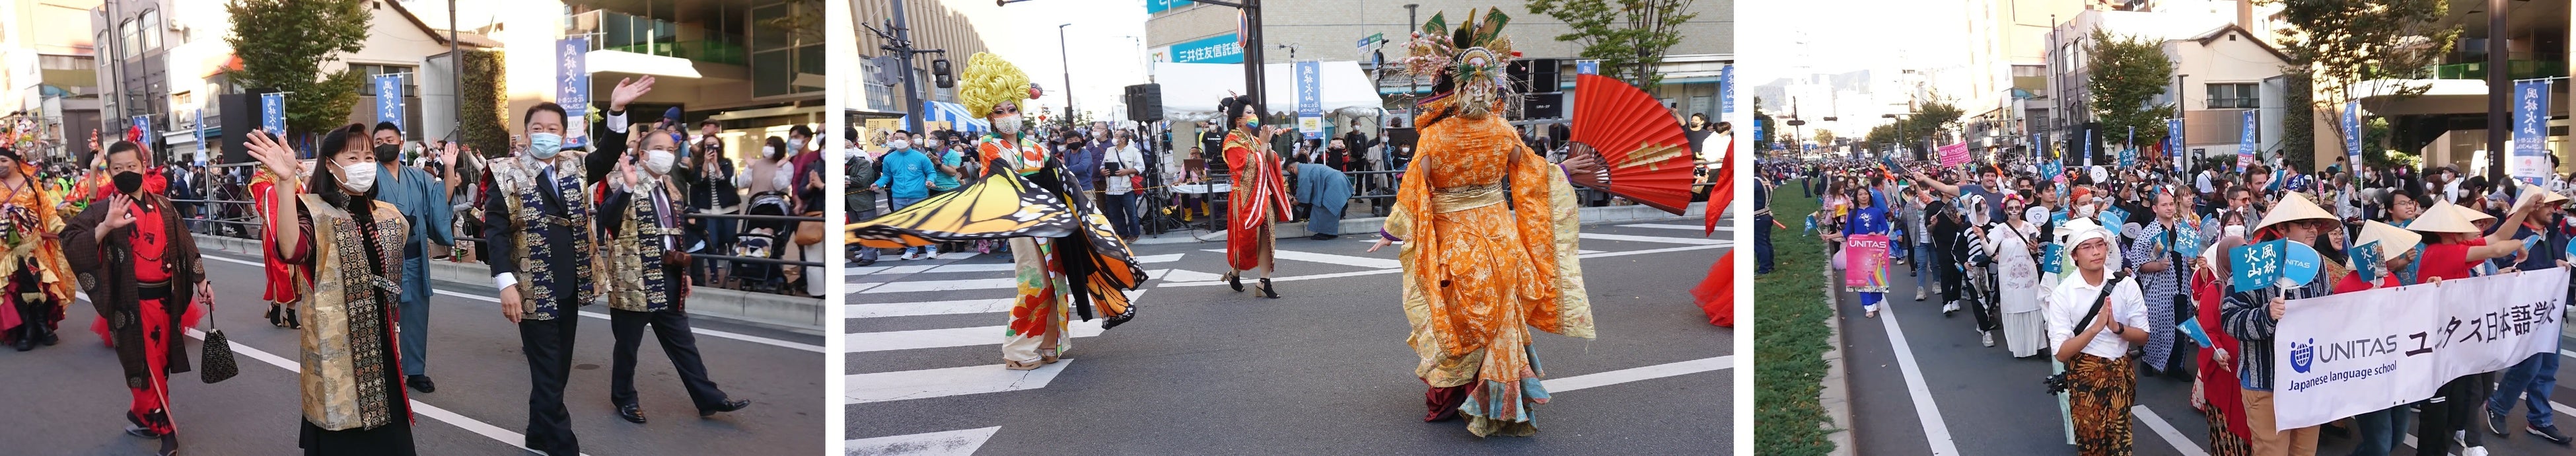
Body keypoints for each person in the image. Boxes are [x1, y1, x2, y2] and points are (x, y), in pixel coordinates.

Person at [1368, 11, 1594, 435]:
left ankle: (1453, 395)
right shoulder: (1502, 129)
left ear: (1451, 86)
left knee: (1458, 315)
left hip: (1456, 238)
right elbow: (1531, 174)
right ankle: (1506, 398)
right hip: (1499, 233)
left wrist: (1391, 232)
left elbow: (1414, 189)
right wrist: (1563, 171)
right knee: (1502, 315)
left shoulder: (1435, 137)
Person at [482, 77, 643, 456]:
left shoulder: (576, 165)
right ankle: (561, 443)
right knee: (548, 367)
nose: (545, 135)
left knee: (558, 367)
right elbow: (496, 231)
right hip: (530, 285)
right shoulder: (505, 172)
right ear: (525, 134)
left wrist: (616, 111)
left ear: (565, 134)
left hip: (569, 283)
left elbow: (609, 151)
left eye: (553, 129)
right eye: (537, 128)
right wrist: (505, 283)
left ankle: (538, 432)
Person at [246, 124, 419, 454]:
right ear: (329, 163)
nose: (363, 164)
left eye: (368, 156)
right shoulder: (315, 212)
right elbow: (291, 249)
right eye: (352, 157)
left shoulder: (389, 215)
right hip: (337, 358)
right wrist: (285, 184)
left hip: (383, 353)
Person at [599, 124, 753, 425]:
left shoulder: (670, 185)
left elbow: (677, 232)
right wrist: (628, 187)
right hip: (635, 280)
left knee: (684, 343)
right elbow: (606, 219)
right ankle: (624, 399)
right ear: (643, 154)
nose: (667, 156)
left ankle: (708, 398)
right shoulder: (620, 180)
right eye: (660, 150)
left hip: (670, 275)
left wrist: (687, 274)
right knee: (628, 346)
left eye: (671, 151)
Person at [65, 139, 209, 456]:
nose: (126, 172)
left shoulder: (164, 206)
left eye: (132, 166)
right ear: (110, 173)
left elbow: (186, 244)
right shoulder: (106, 209)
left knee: (161, 366)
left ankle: (139, 414)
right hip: (131, 306)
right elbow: (72, 240)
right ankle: (165, 429)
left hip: (166, 302)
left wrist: (201, 281)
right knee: (143, 367)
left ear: (144, 166)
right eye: (117, 168)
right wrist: (104, 228)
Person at [2221, 192, 2368, 456]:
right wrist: (2266, 315)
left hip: (2308, 380)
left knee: (2305, 452)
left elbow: (2329, 309)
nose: (2312, 230)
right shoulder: (2253, 261)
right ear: (2281, 228)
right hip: (2266, 381)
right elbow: (2230, 319)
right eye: (2304, 224)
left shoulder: (2318, 265)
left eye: (2315, 225)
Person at [367, 122, 460, 394]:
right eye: (378, 140)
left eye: (389, 139)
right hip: (381, 259)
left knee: (416, 317)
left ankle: (415, 370)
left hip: (414, 257)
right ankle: (385, 370)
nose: (384, 143)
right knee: (381, 317)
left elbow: (440, 204)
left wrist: (450, 167)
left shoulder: (419, 177)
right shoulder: (368, 177)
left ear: (400, 143)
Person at [2048, 217, 2151, 455]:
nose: (2096, 252)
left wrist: (2117, 328)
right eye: (2087, 247)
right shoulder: (2064, 294)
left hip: (2120, 374)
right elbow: (2062, 352)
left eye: (2100, 245)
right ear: (2074, 255)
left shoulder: (2126, 285)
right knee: (2091, 441)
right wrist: (2094, 328)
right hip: (2085, 379)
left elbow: (2144, 336)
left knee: (2121, 443)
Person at [2487, 188, 2572, 445]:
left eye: (2556, 207)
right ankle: (2498, 406)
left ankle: (2540, 419)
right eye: (2549, 205)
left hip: (2553, 311)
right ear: (2533, 206)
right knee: (2529, 364)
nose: (2554, 211)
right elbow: (2510, 269)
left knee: (2549, 367)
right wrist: (2551, 269)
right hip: (2526, 311)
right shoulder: (2515, 235)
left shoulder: (2554, 235)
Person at [0, 147, 75, 352]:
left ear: (16, 162)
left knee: (40, 285)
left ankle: (42, 326)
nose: (0, 165)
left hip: (34, 246)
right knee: (16, 288)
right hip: (7, 249)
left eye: (4, 160)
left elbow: (49, 213)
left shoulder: (33, 184)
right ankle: (27, 328)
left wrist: (63, 230)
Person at [1220, 95, 1293, 299]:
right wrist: (1263, 145)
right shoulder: (1232, 141)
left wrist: (1267, 144)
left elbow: (1270, 162)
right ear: (1238, 120)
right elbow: (1249, 168)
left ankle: (1264, 282)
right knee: (1246, 241)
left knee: (1266, 239)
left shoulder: (1253, 139)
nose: (1254, 116)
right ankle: (1234, 274)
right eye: (1249, 113)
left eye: (1253, 112)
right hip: (1244, 197)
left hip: (1263, 195)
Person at [1984, 192, 2046, 357]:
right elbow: (1990, 251)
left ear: (2021, 209)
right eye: (2010, 208)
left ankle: (2040, 346)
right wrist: (1982, 238)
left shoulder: (2030, 228)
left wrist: (2035, 249)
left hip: (2029, 276)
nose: (2014, 211)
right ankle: (2020, 348)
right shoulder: (1999, 230)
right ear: (2006, 210)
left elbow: (2035, 251)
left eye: (2017, 208)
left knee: (2034, 307)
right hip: (2009, 277)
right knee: (2014, 308)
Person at [871, 130, 935, 260]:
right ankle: (911, 249)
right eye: (896, 138)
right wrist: (877, 184)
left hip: (919, 196)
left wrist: (930, 181)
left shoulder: (921, 157)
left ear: (909, 141)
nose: (898, 140)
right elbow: (887, 176)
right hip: (898, 197)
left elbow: (931, 172)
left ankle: (931, 249)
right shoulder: (889, 158)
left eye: (902, 138)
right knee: (904, 225)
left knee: (923, 223)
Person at [1286, 159, 1349, 241]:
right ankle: (1331, 233)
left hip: (1333, 182)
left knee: (1324, 207)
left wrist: (1297, 200)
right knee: (1332, 210)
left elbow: (1304, 189)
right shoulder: (1306, 167)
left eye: (1290, 172)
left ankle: (1324, 233)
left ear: (1292, 168)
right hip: (1337, 180)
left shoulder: (1303, 172)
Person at [1100, 130, 1145, 240]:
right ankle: (1123, 232)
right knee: (1115, 213)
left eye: (1116, 136)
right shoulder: (1109, 150)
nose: (1114, 138)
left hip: (1127, 188)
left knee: (1132, 213)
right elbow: (1102, 166)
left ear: (1123, 139)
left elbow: (1141, 167)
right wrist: (1102, 171)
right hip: (1111, 188)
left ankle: (1135, 234)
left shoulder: (1133, 151)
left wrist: (1127, 171)